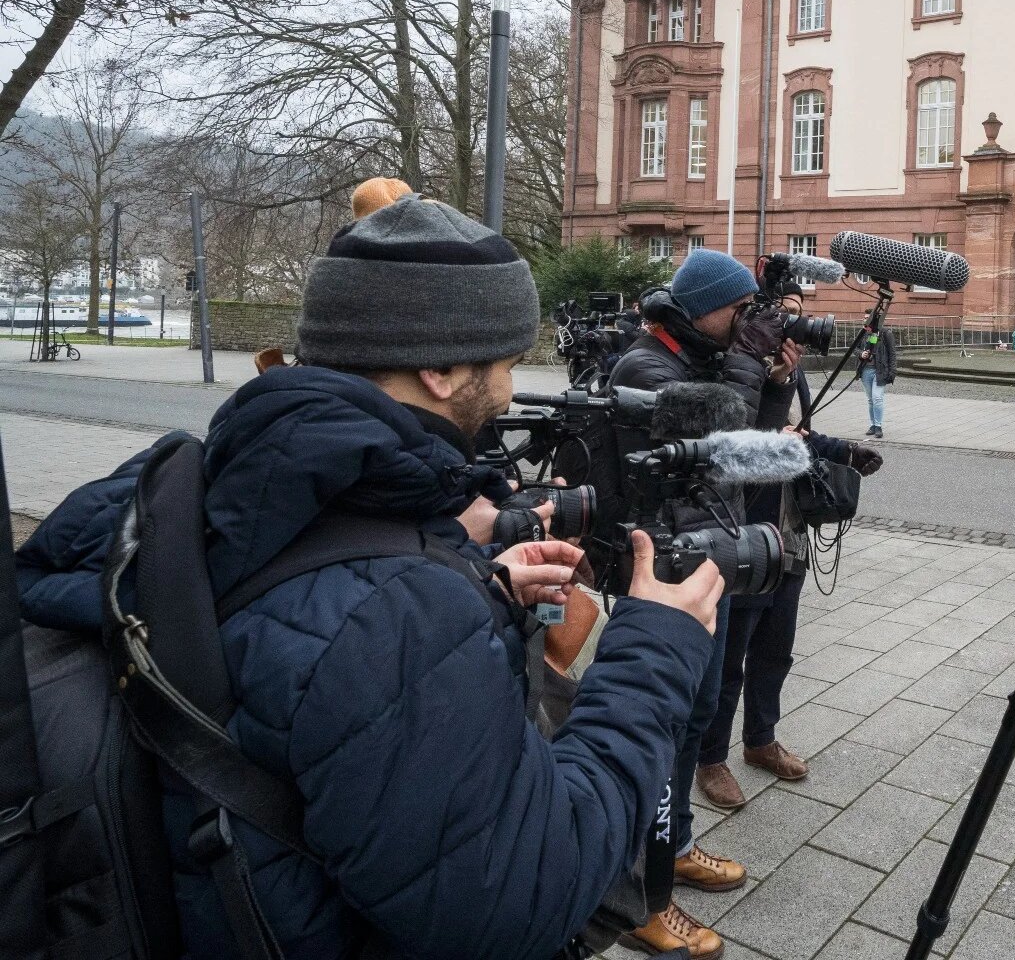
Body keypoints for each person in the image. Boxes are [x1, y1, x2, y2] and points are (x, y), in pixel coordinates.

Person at [16, 192, 723, 959]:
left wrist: (476, 589)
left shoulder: (201, 476)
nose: (514, 389)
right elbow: (517, 904)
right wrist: (654, 649)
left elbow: (296, 663)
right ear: (442, 367)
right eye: (507, 360)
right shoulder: (400, 608)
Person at [607, 247, 801, 956]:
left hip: (708, 555)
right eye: (739, 310)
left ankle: (676, 842)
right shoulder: (644, 366)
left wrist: (774, 383)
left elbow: (749, 454)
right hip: (662, 567)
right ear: (701, 307)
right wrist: (748, 368)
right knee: (658, 724)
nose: (747, 321)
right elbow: (713, 442)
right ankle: (639, 892)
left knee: (692, 718)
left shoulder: (702, 357)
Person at [698, 292, 882, 818]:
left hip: (791, 528)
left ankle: (761, 737)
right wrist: (768, 380)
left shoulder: (788, 371)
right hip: (747, 528)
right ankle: (711, 758)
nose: (789, 325)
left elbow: (795, 435)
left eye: (795, 314)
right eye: (778, 313)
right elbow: (739, 442)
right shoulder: (728, 372)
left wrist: (843, 451)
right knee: (731, 654)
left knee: (777, 648)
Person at [860, 324, 896, 438]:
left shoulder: (885, 333)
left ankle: (878, 425)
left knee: (877, 398)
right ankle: (873, 425)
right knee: (871, 399)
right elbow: (854, 349)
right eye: (864, 318)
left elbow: (892, 353)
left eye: (868, 318)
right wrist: (861, 354)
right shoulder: (862, 333)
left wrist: (892, 371)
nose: (865, 320)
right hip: (866, 370)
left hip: (880, 371)